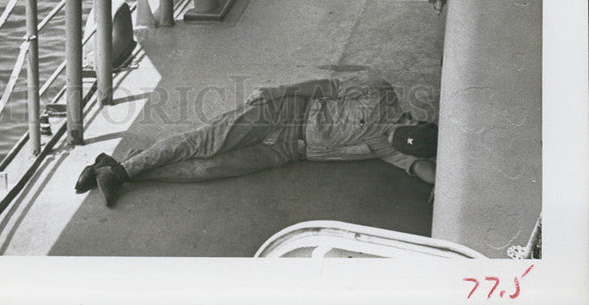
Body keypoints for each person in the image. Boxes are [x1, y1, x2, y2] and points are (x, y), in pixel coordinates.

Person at [75, 73, 436, 207]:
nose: (389, 136)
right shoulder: (380, 91)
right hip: (281, 113)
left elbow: (419, 166)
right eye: (397, 130)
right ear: (414, 119)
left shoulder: (390, 147)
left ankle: (119, 168)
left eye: (395, 141)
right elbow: (327, 86)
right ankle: (124, 168)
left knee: (208, 170)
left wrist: (444, 184)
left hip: (288, 151)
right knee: (205, 142)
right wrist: (276, 93)